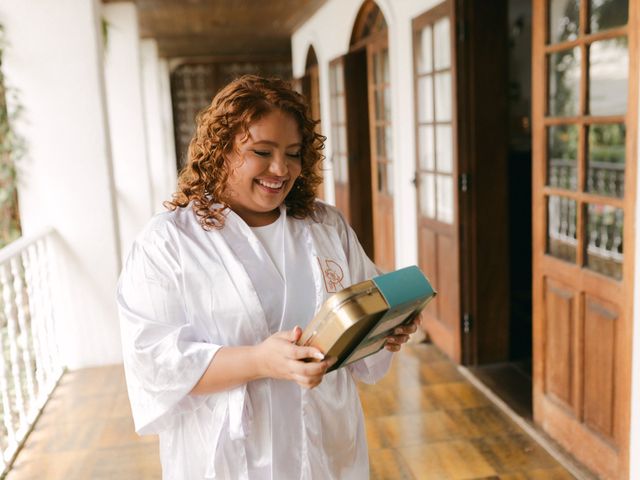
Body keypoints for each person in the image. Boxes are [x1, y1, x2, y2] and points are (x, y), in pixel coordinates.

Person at [117, 74, 419, 479]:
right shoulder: (169, 242)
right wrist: (259, 360)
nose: (281, 169)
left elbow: (360, 313)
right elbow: (154, 363)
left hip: (328, 444)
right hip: (230, 457)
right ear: (220, 150)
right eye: (262, 151)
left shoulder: (324, 225)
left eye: (293, 153)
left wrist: (385, 330)